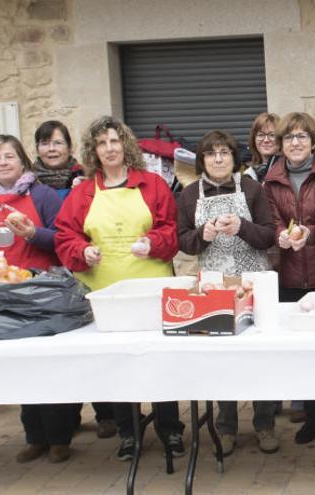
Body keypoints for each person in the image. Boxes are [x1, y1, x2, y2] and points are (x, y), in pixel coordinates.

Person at [54, 116, 183, 462]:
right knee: (116, 368)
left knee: (159, 362)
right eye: (101, 143)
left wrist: (153, 241)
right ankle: (129, 431)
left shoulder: (153, 185)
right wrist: (82, 251)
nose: (109, 148)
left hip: (151, 291)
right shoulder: (82, 193)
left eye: (114, 141)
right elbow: (65, 236)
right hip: (105, 297)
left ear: (125, 145)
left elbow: (172, 231)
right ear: (93, 151)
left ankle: (170, 429)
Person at [0, 135, 74, 463]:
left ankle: (59, 437)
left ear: (22, 160)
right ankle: (34, 437)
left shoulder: (43, 195)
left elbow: (63, 238)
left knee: (47, 367)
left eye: (9, 156)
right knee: (20, 369)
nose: (3, 163)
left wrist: (31, 234)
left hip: (40, 292)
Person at [177, 130, 277, 457]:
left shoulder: (251, 189)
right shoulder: (190, 194)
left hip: (252, 282)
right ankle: (227, 425)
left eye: (224, 153)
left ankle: (264, 424)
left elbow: (268, 236)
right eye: (211, 154)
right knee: (223, 359)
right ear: (202, 160)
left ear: (234, 158)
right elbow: (183, 241)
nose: (218, 159)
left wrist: (242, 228)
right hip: (215, 285)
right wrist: (202, 235)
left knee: (259, 358)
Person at [33, 120, 116, 440]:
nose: (51, 149)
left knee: (92, 346)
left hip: (81, 269)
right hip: (46, 275)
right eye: (44, 143)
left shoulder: (84, 180)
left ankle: (106, 412)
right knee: (63, 354)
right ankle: (65, 420)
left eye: (57, 143)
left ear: (69, 147)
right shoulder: (31, 184)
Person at [263, 112, 315, 445]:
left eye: (302, 136)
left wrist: (310, 233)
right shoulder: (271, 181)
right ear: (280, 144)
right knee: (304, 351)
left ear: (313, 140)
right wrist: (281, 235)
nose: (295, 143)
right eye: (289, 137)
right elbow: (273, 219)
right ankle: (314, 416)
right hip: (290, 274)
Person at [245, 112, 280, 183]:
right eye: (261, 135)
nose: (266, 140)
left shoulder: (289, 170)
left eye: (272, 135)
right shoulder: (249, 175)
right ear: (254, 139)